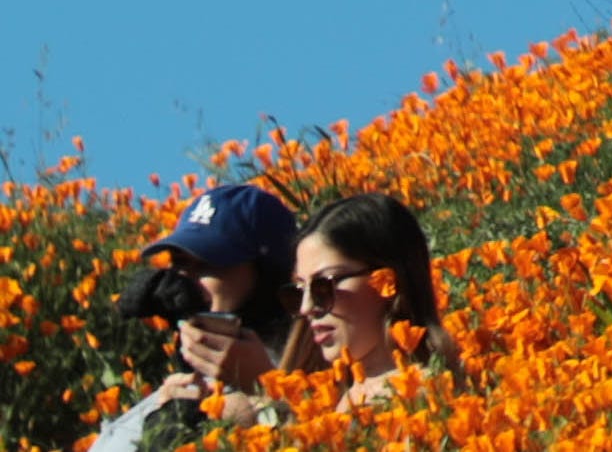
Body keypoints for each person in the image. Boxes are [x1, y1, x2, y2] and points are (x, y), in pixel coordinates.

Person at [93, 182, 297, 450]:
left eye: (208, 264)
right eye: (180, 263)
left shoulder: (311, 369)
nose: (184, 282)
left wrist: (265, 394)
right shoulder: (177, 389)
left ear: (267, 273)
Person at [279, 192, 456, 410]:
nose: (306, 308)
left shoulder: (428, 395)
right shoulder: (321, 401)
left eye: (323, 286)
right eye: (298, 291)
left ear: (387, 281)